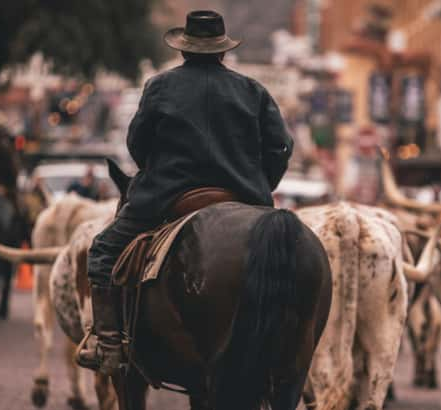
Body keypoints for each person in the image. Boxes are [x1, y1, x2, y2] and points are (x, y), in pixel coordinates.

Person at [77, 10, 293, 373]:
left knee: (102, 251)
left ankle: (109, 344)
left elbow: (137, 144)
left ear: (184, 50)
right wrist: (258, 189)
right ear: (223, 52)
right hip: (244, 198)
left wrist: (158, 172)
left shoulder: (160, 86)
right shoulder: (253, 90)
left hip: (168, 196)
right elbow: (280, 148)